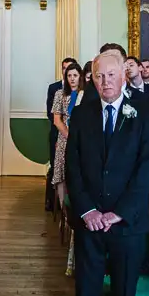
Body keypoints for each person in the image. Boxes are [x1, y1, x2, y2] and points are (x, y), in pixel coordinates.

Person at [49, 63, 85, 220]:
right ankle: (65, 214)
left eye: (75, 75)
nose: (72, 79)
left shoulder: (86, 94)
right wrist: (70, 137)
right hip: (65, 138)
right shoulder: (60, 94)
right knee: (61, 175)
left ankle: (77, 211)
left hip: (82, 139)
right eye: (69, 75)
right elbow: (57, 120)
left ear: (80, 76)